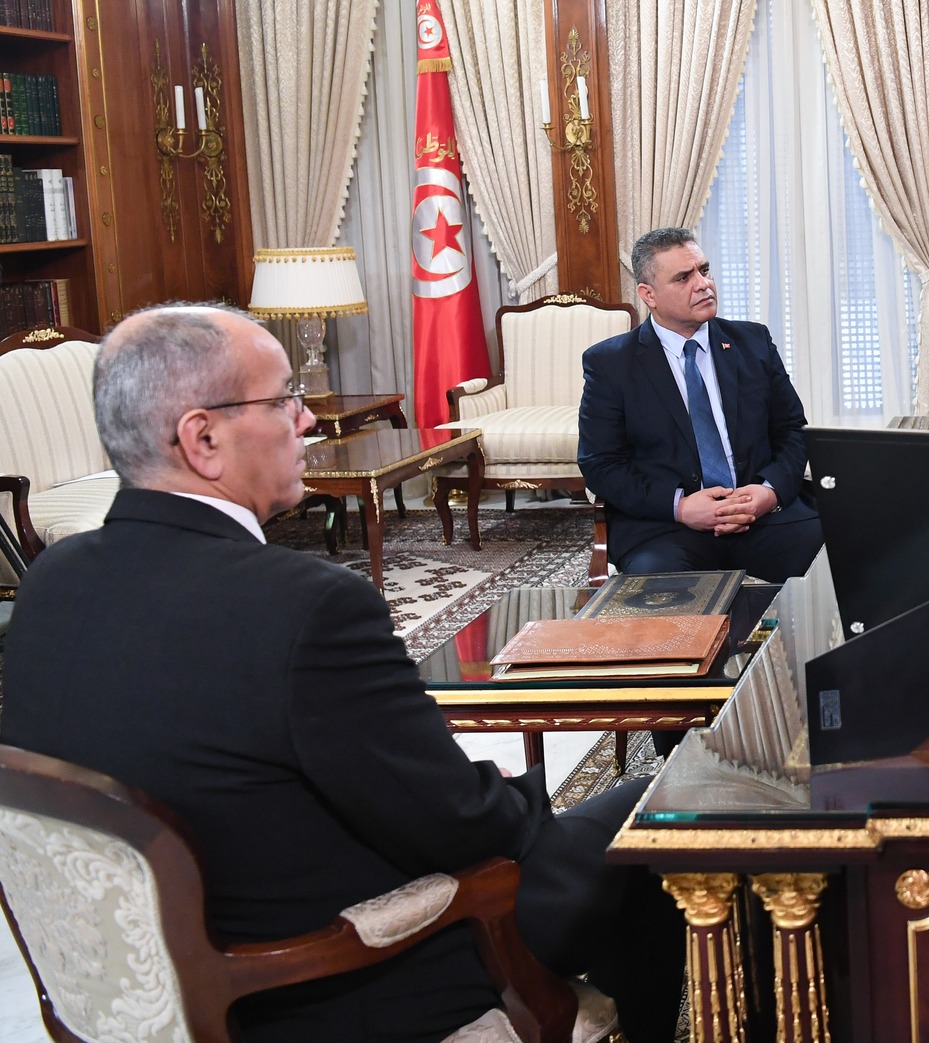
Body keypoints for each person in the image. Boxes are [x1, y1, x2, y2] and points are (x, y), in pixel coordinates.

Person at [0, 305, 685, 1043]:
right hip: (342, 979)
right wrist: (525, 802)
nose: (308, 421)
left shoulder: (51, 580)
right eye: (282, 400)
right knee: (654, 813)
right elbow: (462, 821)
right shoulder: (305, 606)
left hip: (155, 985)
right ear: (203, 439)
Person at [579, 227, 823, 582]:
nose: (703, 284)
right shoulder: (611, 363)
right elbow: (600, 464)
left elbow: (792, 432)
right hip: (666, 528)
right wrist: (679, 506)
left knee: (844, 568)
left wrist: (768, 493)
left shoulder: (753, 342)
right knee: (663, 596)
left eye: (704, 270)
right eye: (684, 278)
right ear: (648, 294)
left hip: (761, 516)